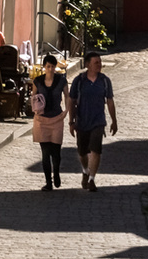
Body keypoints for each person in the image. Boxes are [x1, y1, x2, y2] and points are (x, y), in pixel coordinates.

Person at [68, 51, 116, 191]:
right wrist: (71, 121)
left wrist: (114, 120)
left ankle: (92, 180)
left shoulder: (104, 81)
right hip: (82, 121)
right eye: (96, 63)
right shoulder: (79, 81)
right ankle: (85, 171)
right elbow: (71, 101)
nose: (99, 65)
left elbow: (110, 101)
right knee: (82, 152)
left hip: (98, 121)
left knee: (96, 150)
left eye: (100, 62)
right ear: (88, 65)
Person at [30, 54, 67, 190]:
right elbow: (33, 96)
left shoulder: (61, 80)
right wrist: (35, 109)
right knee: (45, 153)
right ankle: (48, 182)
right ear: (44, 67)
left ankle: (56, 173)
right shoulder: (38, 81)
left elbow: (67, 96)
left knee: (56, 152)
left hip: (57, 119)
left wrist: (67, 111)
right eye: (48, 66)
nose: (50, 69)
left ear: (55, 67)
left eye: (52, 66)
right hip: (41, 120)